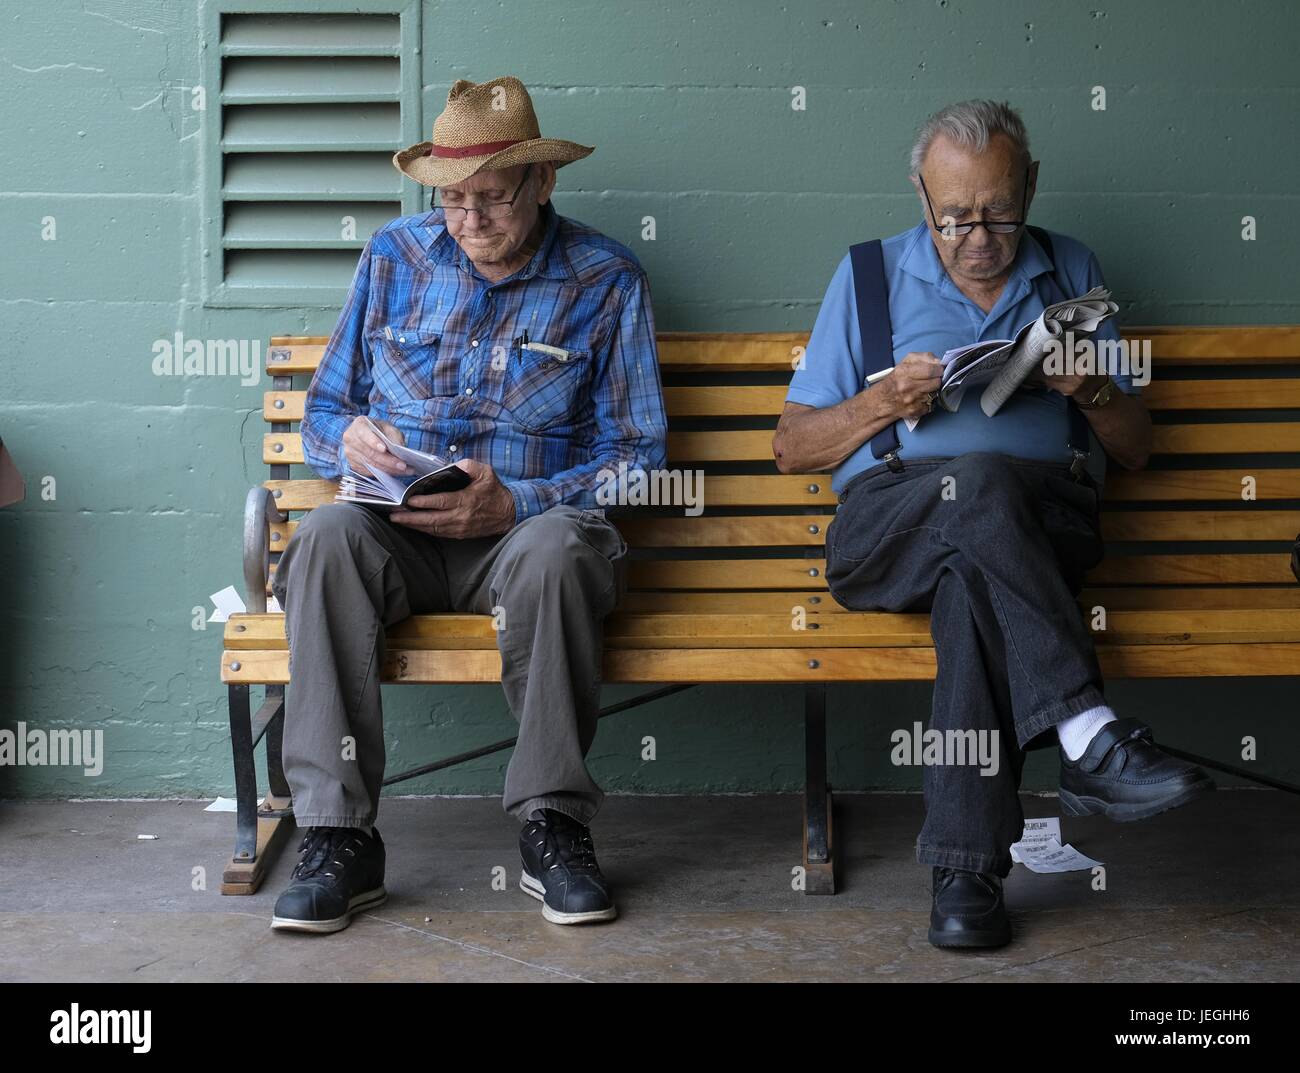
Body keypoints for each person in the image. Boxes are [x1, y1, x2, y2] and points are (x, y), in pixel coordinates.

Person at [772, 99, 1212, 949]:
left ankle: (967, 873)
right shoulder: (867, 275)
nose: (979, 236)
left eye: (1001, 213)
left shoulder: (1073, 269)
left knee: (974, 568)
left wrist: (1092, 390)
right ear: (920, 197)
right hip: (889, 523)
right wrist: (880, 402)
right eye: (955, 217)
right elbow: (792, 448)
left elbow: (1138, 450)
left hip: (1044, 519)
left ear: (1032, 186)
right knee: (971, 492)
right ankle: (1086, 733)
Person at [269, 75, 667, 933]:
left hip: (522, 539)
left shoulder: (606, 279)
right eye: (452, 199)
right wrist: (352, 442)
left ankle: (552, 824)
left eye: (491, 198)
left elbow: (640, 462)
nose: (470, 219)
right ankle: (339, 837)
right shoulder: (393, 256)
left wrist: (517, 500)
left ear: (542, 183)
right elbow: (326, 409)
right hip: (395, 532)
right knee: (326, 537)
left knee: (560, 550)